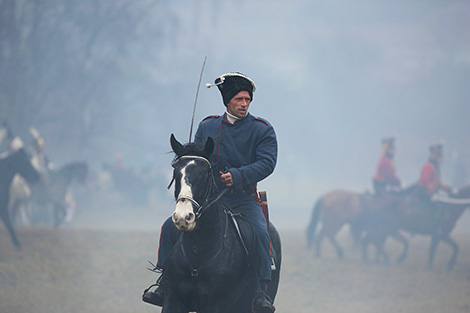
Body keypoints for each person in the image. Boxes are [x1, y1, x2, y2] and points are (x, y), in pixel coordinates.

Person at [145, 72, 277, 313]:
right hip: (208, 199)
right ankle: (163, 283)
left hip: (243, 198)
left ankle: (260, 292)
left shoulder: (262, 129)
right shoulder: (207, 125)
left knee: (260, 232)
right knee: (169, 226)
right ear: (227, 101)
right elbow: (197, 158)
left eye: (247, 99)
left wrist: (236, 176)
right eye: (239, 99)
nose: (244, 103)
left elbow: (267, 163)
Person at [417, 143, 451, 216]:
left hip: (431, 194)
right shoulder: (428, 167)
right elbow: (425, 182)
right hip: (424, 194)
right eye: (439, 156)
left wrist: (448, 189)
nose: (441, 159)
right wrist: (431, 194)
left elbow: (438, 182)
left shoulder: (435, 167)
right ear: (434, 156)